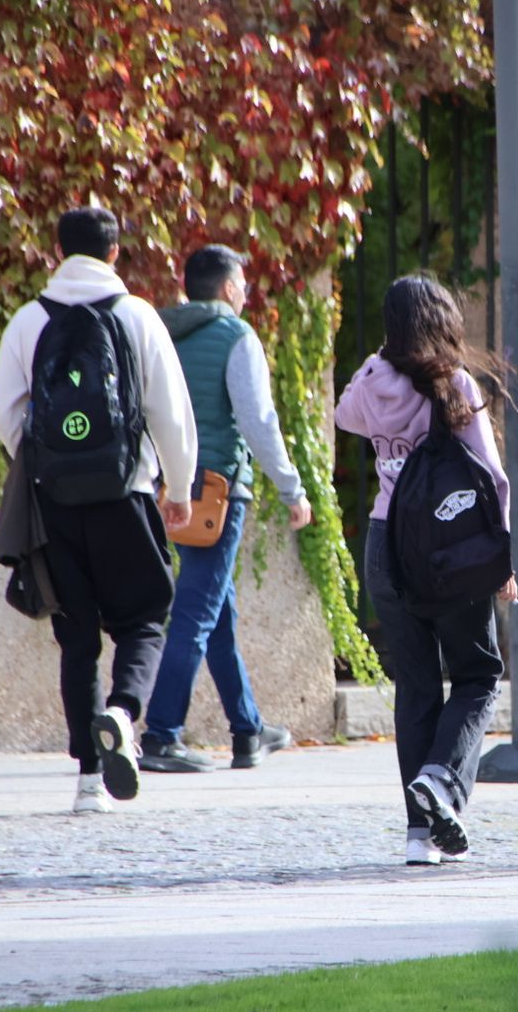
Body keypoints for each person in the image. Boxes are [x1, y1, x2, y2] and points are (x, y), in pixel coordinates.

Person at [0, 206, 197, 814]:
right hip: (126, 495)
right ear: (114, 253)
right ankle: (123, 715)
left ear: (58, 250)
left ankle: (87, 783)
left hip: (54, 505)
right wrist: (177, 489)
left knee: (76, 638)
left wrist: (50, 463)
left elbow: (6, 413)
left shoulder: (28, 321)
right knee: (144, 619)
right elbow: (170, 413)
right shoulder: (137, 316)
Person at [335, 274, 517, 866]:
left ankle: (421, 835)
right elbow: (491, 479)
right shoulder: (454, 384)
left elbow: (343, 415)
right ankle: (443, 780)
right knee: (479, 674)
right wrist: (501, 559)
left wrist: (377, 360)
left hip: (387, 546)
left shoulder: (371, 385)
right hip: (450, 546)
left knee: (415, 687)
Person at [139, 245, 311, 773]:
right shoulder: (237, 336)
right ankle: (161, 735)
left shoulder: (160, 334)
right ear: (229, 288)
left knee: (217, 613)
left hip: (168, 488)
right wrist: (292, 489)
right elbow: (257, 422)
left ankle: (247, 730)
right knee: (195, 613)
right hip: (218, 492)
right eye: (245, 285)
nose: (247, 294)